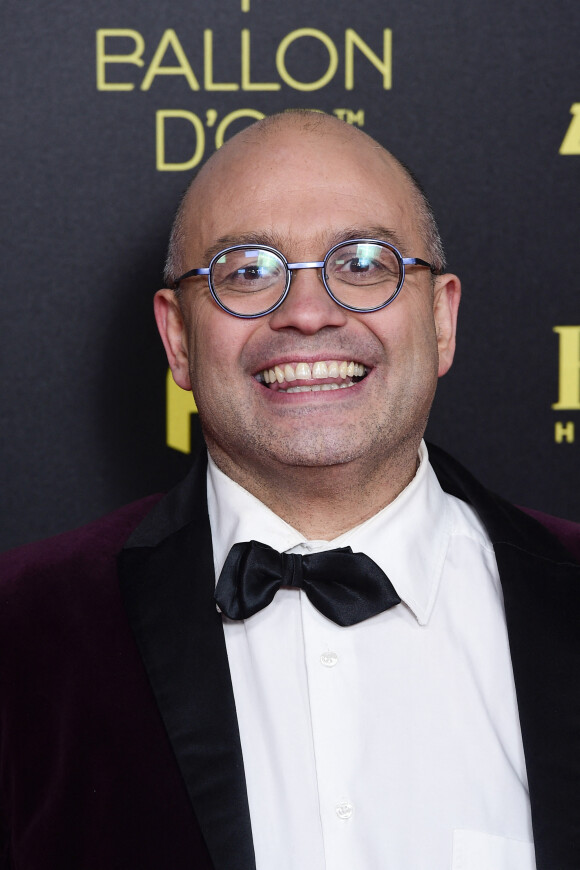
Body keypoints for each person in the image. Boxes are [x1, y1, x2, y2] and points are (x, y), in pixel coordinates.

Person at [1, 112, 579, 870]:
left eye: (364, 262)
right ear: (178, 338)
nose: (308, 314)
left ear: (442, 320)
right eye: (248, 271)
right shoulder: (21, 633)